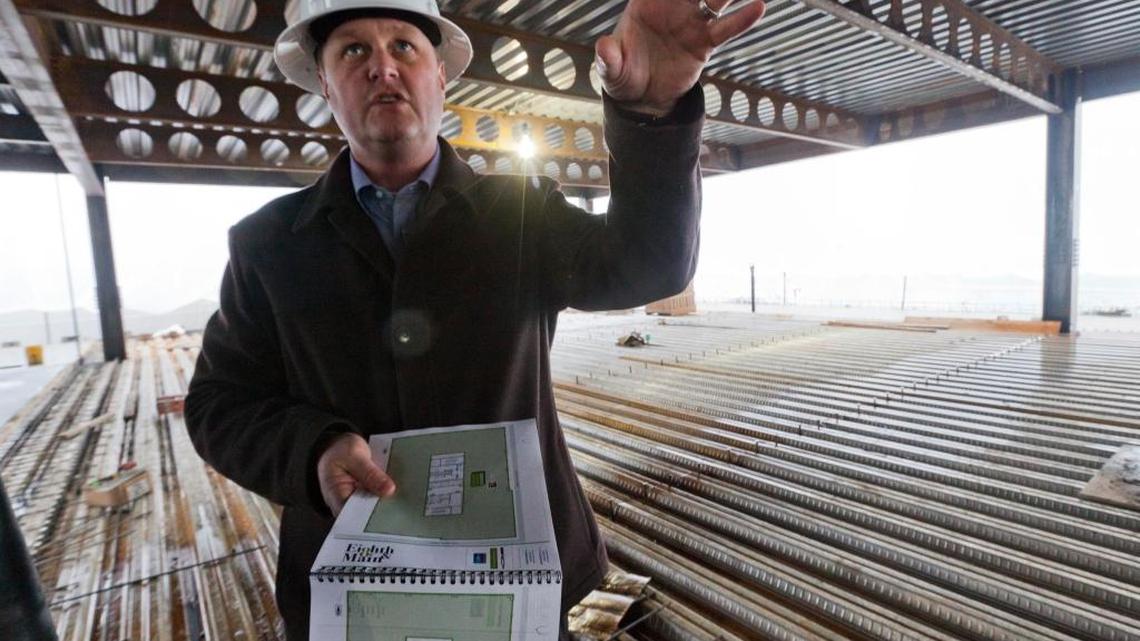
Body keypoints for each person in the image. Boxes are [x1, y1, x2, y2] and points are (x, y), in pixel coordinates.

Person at [184, 0, 766, 639]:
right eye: (353, 50)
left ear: (440, 76)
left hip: (522, 582)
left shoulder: (521, 212)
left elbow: (648, 267)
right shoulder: (268, 243)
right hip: (355, 591)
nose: (382, 67)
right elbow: (219, 403)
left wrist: (651, 115)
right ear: (324, 82)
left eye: (404, 46)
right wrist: (312, 449)